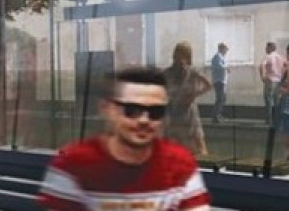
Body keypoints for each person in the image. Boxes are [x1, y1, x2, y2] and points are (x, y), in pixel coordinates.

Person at [37, 67, 211, 211]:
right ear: (106, 109)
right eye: (131, 110)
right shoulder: (72, 166)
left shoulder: (181, 165)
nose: (144, 120)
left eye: (155, 113)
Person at [165, 42, 212, 156]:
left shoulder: (192, 72)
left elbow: (208, 85)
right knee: (174, 142)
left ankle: (204, 165)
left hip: (188, 112)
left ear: (187, 56)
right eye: (177, 54)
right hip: (174, 111)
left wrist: (193, 95)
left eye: (182, 55)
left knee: (197, 141)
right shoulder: (168, 73)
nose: (179, 58)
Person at [259, 42, 287, 121]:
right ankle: (276, 118)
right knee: (277, 101)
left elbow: (261, 66)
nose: (265, 49)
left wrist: (262, 76)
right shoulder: (280, 57)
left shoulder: (268, 57)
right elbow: (287, 65)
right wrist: (283, 74)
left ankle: (269, 118)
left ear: (270, 48)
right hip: (279, 81)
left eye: (266, 47)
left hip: (270, 80)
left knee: (268, 100)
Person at [210, 43, 229, 123]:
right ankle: (216, 116)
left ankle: (219, 114)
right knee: (220, 99)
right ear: (221, 48)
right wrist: (226, 68)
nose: (226, 51)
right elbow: (219, 66)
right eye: (225, 49)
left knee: (223, 98)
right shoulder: (217, 57)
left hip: (222, 81)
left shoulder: (221, 57)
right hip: (219, 81)